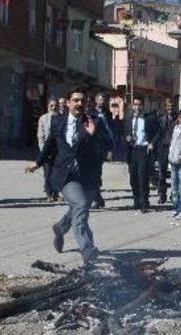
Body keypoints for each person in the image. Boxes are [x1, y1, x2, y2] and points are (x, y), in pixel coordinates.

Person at [26, 89, 101, 266]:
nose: (79, 104)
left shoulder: (93, 122)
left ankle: (60, 228)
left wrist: (92, 135)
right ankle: (87, 249)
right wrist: (37, 163)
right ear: (67, 103)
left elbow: (101, 149)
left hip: (87, 175)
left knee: (79, 208)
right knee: (80, 204)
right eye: (75, 100)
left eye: (82, 101)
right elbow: (50, 145)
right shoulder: (58, 122)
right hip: (66, 175)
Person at [125, 96, 159, 213]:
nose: (137, 107)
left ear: (143, 106)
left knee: (142, 177)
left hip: (143, 150)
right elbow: (125, 132)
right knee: (133, 178)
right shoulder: (129, 119)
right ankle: (136, 201)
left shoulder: (148, 118)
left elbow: (158, 132)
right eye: (135, 104)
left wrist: (152, 143)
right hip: (132, 150)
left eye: (139, 105)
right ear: (132, 106)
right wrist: (127, 137)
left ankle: (144, 203)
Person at [91, 93, 116, 209]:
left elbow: (110, 132)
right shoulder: (91, 113)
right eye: (99, 99)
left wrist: (110, 149)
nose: (101, 101)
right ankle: (97, 198)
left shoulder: (108, 113)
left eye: (103, 100)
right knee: (91, 174)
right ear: (96, 100)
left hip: (102, 147)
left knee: (97, 173)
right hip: (92, 146)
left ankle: (97, 198)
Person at [37, 99, 59, 202]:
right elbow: (41, 135)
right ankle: (49, 193)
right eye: (51, 105)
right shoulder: (43, 118)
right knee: (48, 172)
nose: (54, 107)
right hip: (47, 149)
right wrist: (43, 151)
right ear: (48, 107)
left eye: (55, 105)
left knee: (57, 172)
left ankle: (55, 193)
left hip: (58, 150)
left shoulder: (62, 118)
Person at [156, 99, 178, 204]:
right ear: (165, 107)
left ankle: (174, 195)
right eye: (168, 106)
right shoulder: (161, 119)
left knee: (174, 174)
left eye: (172, 106)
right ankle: (162, 195)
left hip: (174, 148)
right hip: (163, 148)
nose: (170, 108)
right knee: (162, 174)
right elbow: (157, 133)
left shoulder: (178, 119)